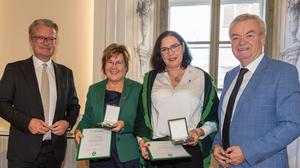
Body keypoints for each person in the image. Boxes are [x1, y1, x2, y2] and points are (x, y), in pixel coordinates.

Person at [212, 13, 300, 168]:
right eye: (236, 37)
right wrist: (217, 144)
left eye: (249, 35)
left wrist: (247, 152)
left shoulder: (283, 72)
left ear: (263, 38)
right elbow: (227, 120)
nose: (242, 42)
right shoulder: (229, 76)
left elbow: (293, 124)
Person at [0, 19, 80, 168]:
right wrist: (27, 122)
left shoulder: (66, 73)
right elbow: (1, 103)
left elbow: (74, 106)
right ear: (31, 40)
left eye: (51, 38)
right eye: (40, 37)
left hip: (54, 153)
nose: (46, 42)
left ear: (55, 42)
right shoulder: (14, 70)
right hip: (22, 153)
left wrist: (67, 123)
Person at [135, 30, 219, 168]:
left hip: (189, 149)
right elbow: (140, 117)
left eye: (174, 46)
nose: (170, 53)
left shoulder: (202, 78)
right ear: (159, 54)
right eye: (164, 49)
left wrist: (199, 132)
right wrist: (142, 143)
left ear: (183, 47)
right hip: (158, 150)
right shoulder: (150, 79)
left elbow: (215, 118)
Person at [75, 43, 142, 168]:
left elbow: (142, 123)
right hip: (99, 155)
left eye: (119, 62)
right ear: (104, 66)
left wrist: (124, 124)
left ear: (126, 66)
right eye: (110, 62)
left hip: (127, 157)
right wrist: (79, 130)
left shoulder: (138, 89)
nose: (114, 67)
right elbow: (87, 119)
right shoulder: (94, 90)